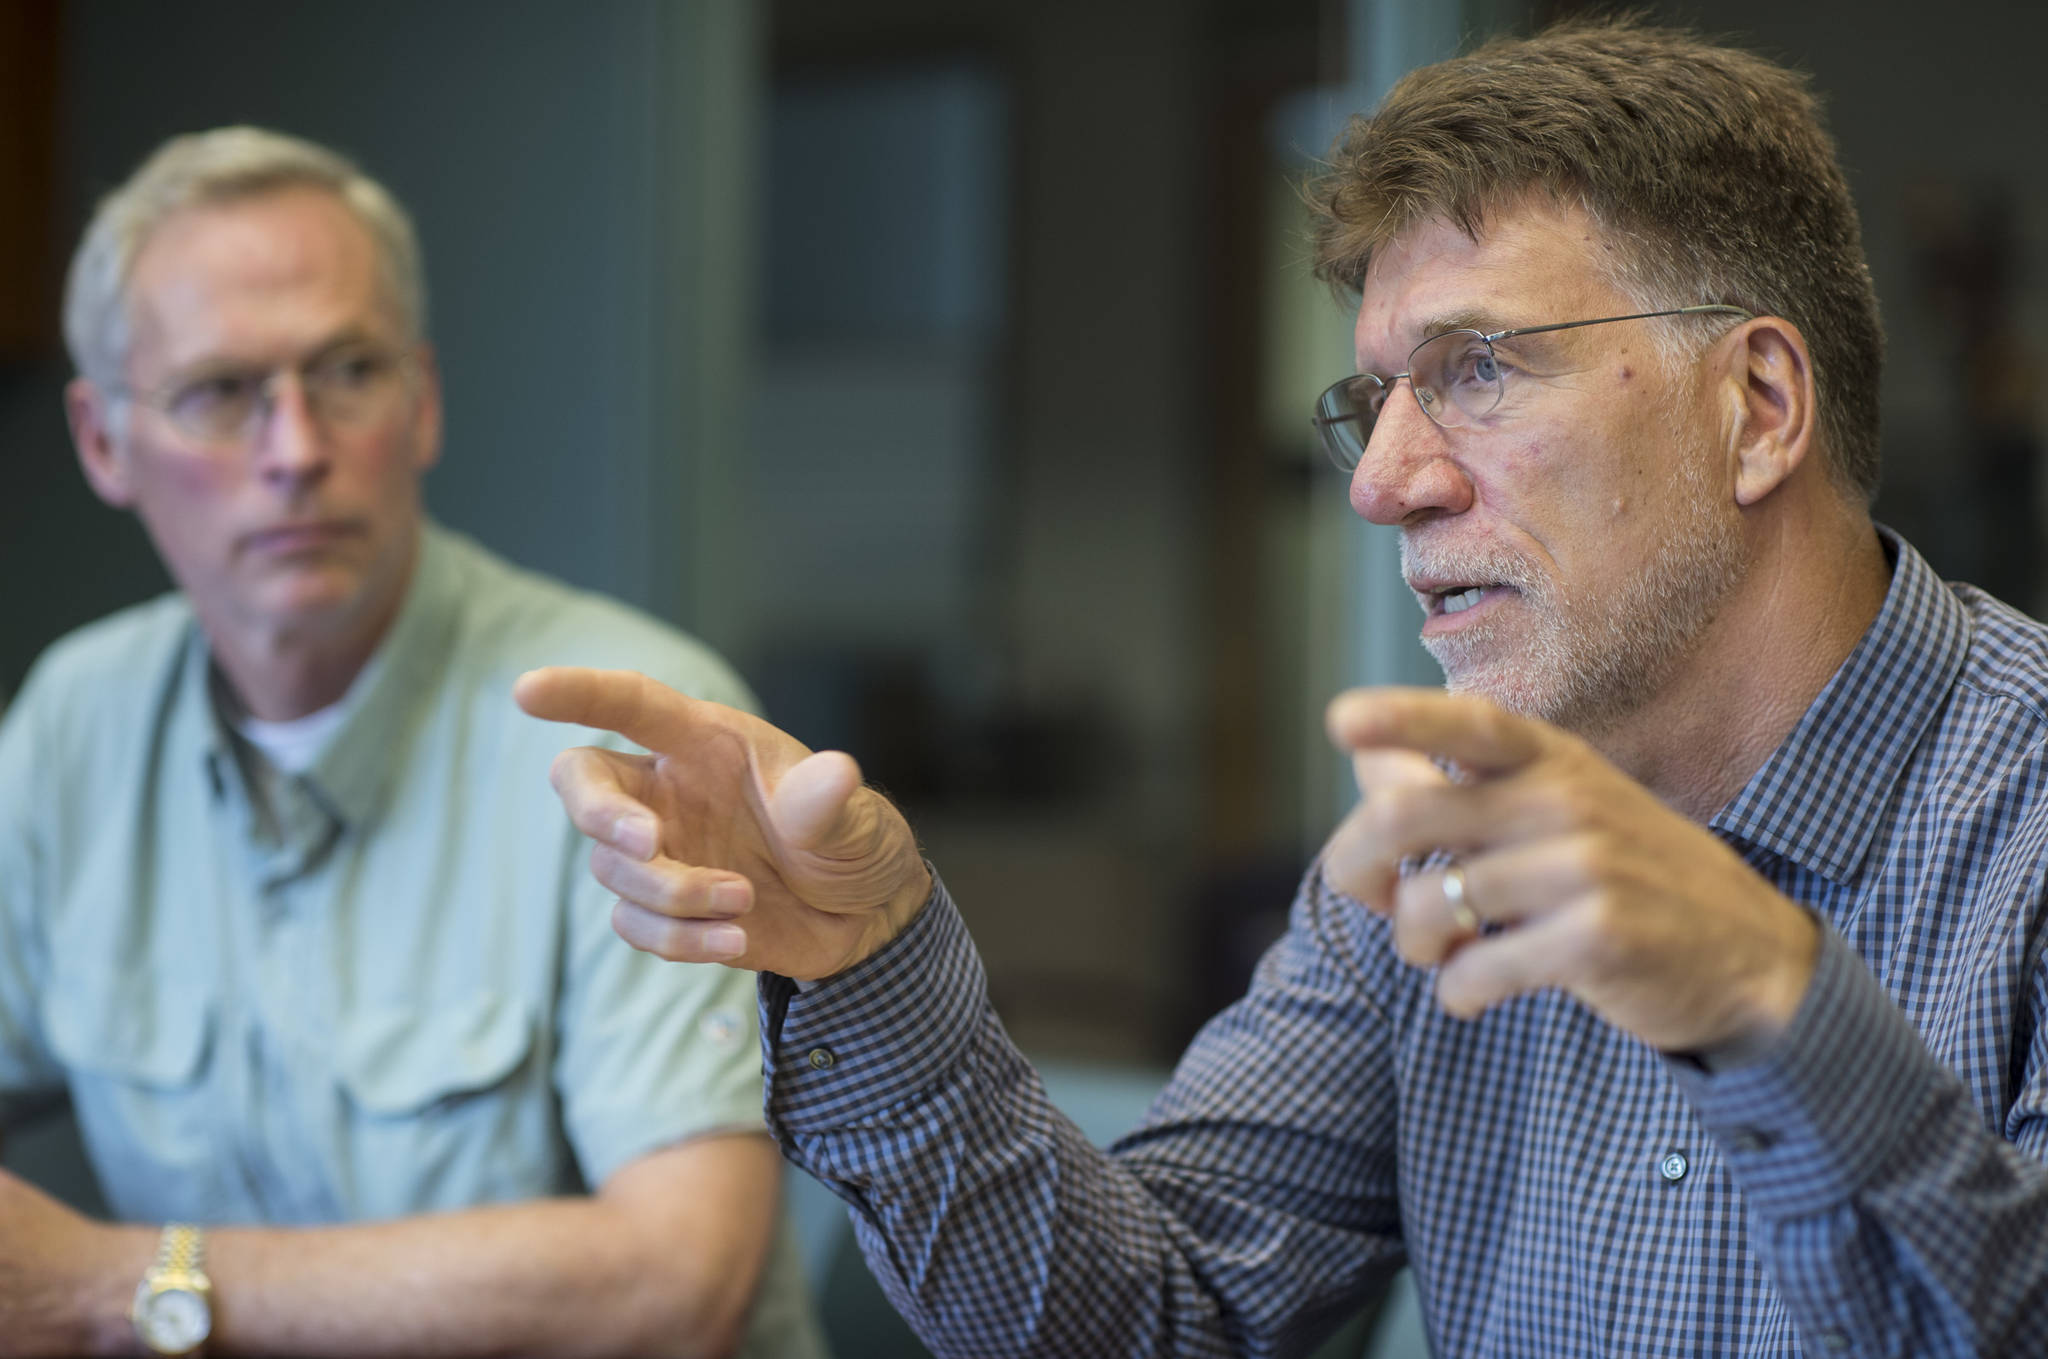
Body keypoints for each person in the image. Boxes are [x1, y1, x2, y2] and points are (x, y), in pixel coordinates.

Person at [519, 18, 2048, 1359]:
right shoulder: (1428, 850)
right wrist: (869, 961)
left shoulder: (2021, 812)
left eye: (1480, 369)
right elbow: (1150, 1319)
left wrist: (1777, 1010)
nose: (1382, 483)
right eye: (1374, 400)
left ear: (1760, 405)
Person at [0, 127, 823, 1358]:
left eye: (345, 371)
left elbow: (674, 1284)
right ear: (104, 442)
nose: (294, 450)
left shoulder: (624, 723)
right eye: (219, 392)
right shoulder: (77, 718)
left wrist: (123, 1282)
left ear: (424, 401)